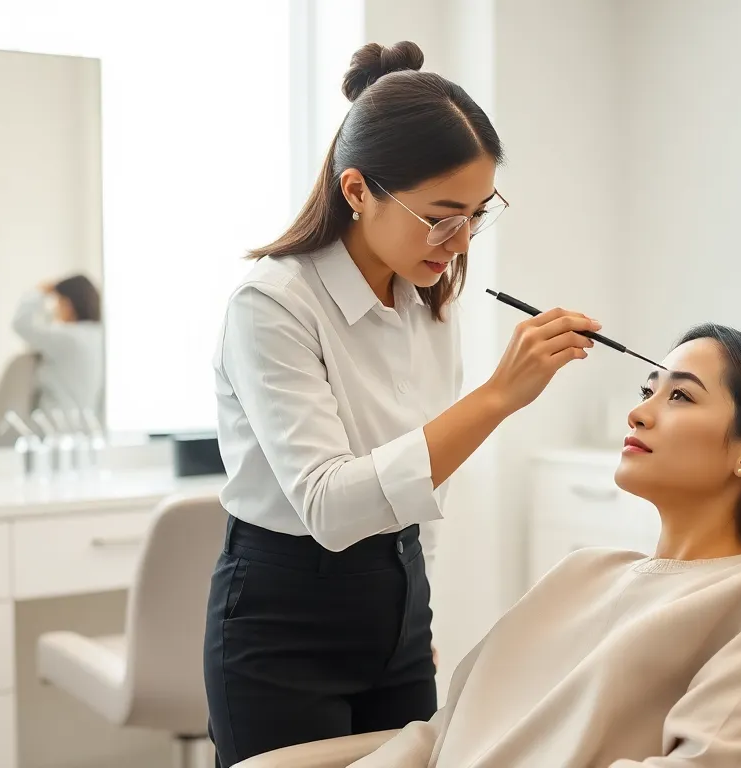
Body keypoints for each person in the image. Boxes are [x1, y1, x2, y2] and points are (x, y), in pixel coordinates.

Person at [204, 41, 597, 765]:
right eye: (441, 216)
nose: (460, 241)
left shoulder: (426, 301)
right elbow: (328, 505)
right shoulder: (273, 304)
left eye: (478, 214)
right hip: (284, 620)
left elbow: (420, 486)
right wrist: (497, 398)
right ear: (356, 190)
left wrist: (410, 610)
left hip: (397, 608)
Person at [350, 323, 741, 767]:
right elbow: (443, 733)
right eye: (647, 390)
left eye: (680, 398)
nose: (637, 414)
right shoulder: (582, 571)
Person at [11, 273, 104, 413]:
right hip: (87, 424)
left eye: (58, 303)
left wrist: (39, 292)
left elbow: (21, 324)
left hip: (56, 424)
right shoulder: (98, 336)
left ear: (69, 304)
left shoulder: (67, 337)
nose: (55, 310)